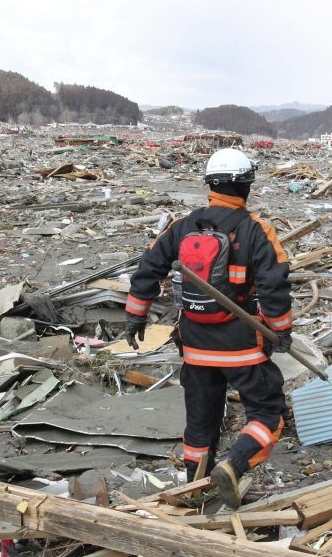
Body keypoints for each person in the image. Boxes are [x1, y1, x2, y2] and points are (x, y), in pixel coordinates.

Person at [124, 147, 292, 508]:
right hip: (241, 345)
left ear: (209, 184)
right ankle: (234, 464)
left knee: (201, 422)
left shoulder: (183, 226)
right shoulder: (256, 231)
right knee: (268, 412)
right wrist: (281, 331)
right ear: (247, 185)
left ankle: (193, 489)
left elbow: (148, 268)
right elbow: (274, 287)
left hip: (195, 343)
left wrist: (135, 317)